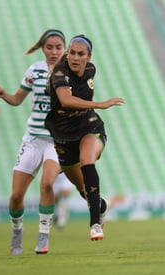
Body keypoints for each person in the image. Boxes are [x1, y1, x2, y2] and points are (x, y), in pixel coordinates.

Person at [0, 29, 69, 255]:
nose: (54, 52)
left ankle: (43, 237)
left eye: (58, 47)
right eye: (50, 47)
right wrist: (4, 94)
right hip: (33, 138)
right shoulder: (34, 70)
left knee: (47, 184)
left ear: (64, 49)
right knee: (16, 196)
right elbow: (17, 99)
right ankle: (17, 232)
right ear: (43, 48)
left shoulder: (71, 72)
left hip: (57, 141)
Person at [45, 34, 125, 241]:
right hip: (63, 136)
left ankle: (95, 224)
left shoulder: (91, 70)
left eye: (81, 54)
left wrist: (95, 110)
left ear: (89, 56)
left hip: (90, 127)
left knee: (87, 161)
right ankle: (102, 206)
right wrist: (100, 104)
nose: (75, 57)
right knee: (83, 189)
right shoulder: (59, 74)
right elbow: (66, 100)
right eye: (72, 52)